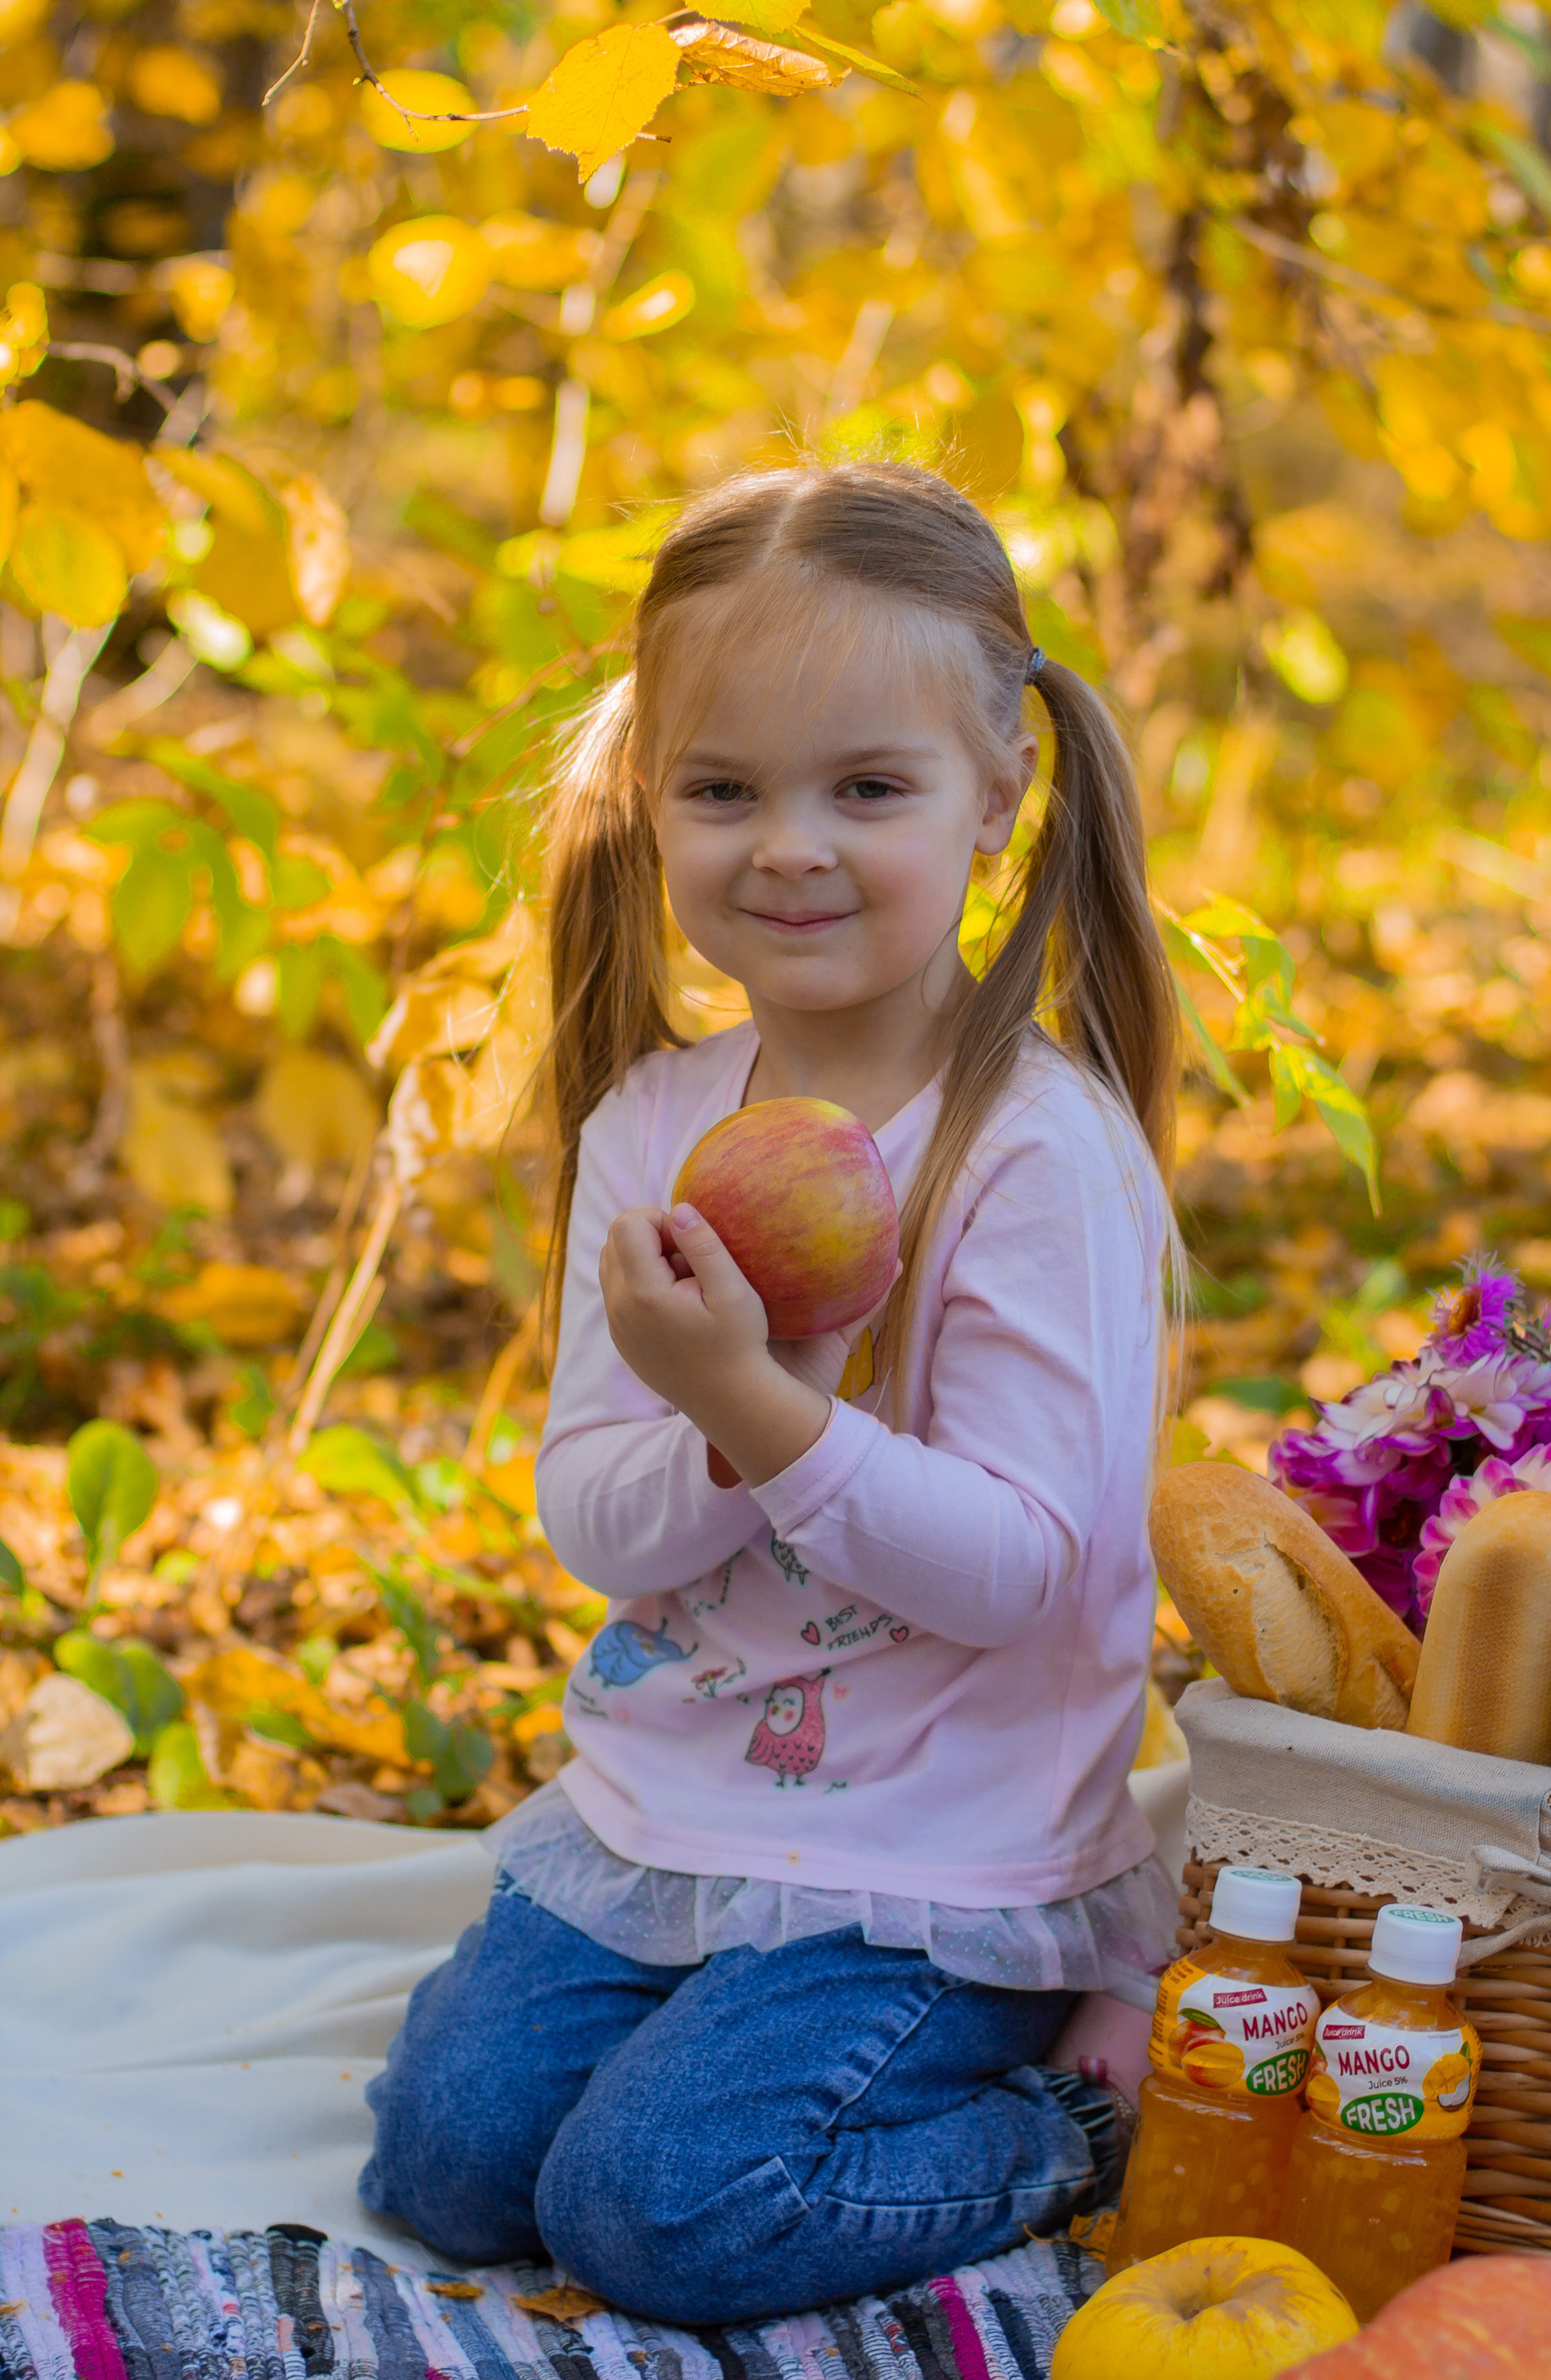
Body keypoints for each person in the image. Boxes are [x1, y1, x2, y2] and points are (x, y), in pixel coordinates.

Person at [360, 458, 1182, 2322]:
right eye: (723, 790)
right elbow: (597, 1521)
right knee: (447, 2168)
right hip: (669, 1811)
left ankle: (1078, 2109)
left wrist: (763, 1407)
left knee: (661, 2213)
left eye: (866, 789)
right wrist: (729, 1409)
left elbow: (1020, 1572)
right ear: (651, 797)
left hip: (939, 1854)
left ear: (1000, 795)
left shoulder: (1030, 1151)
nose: (789, 848)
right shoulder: (655, 1123)